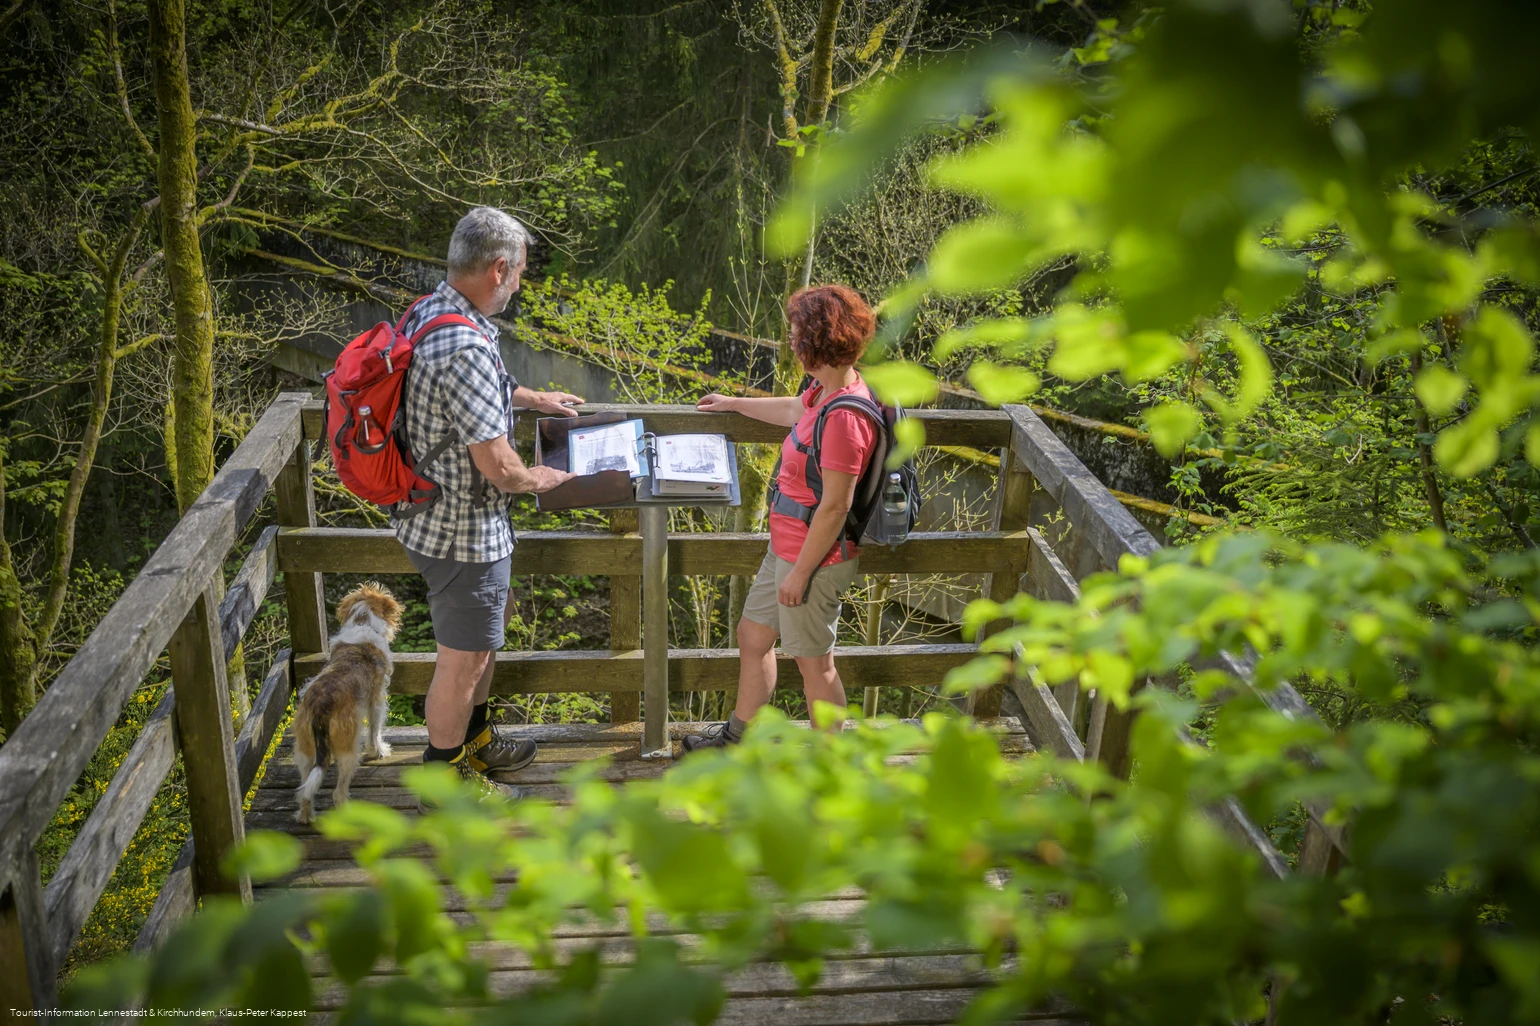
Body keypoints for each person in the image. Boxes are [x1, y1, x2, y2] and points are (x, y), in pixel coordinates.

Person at [396, 206, 579, 803]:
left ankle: (474, 741)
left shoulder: (438, 310)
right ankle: (444, 780)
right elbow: (499, 468)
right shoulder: (465, 345)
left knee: (480, 647)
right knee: (465, 658)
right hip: (462, 532)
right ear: (499, 268)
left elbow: (479, 392)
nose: (521, 285)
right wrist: (541, 479)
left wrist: (533, 396)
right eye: (520, 273)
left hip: (434, 515)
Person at [684, 284, 878, 751]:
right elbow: (793, 410)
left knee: (815, 664)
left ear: (819, 340)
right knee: (753, 636)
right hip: (787, 548)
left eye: (795, 336)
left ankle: (829, 766)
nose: (790, 343)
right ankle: (739, 736)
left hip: (815, 560)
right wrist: (733, 404)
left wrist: (802, 573)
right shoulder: (823, 390)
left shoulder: (847, 417)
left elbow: (835, 506)